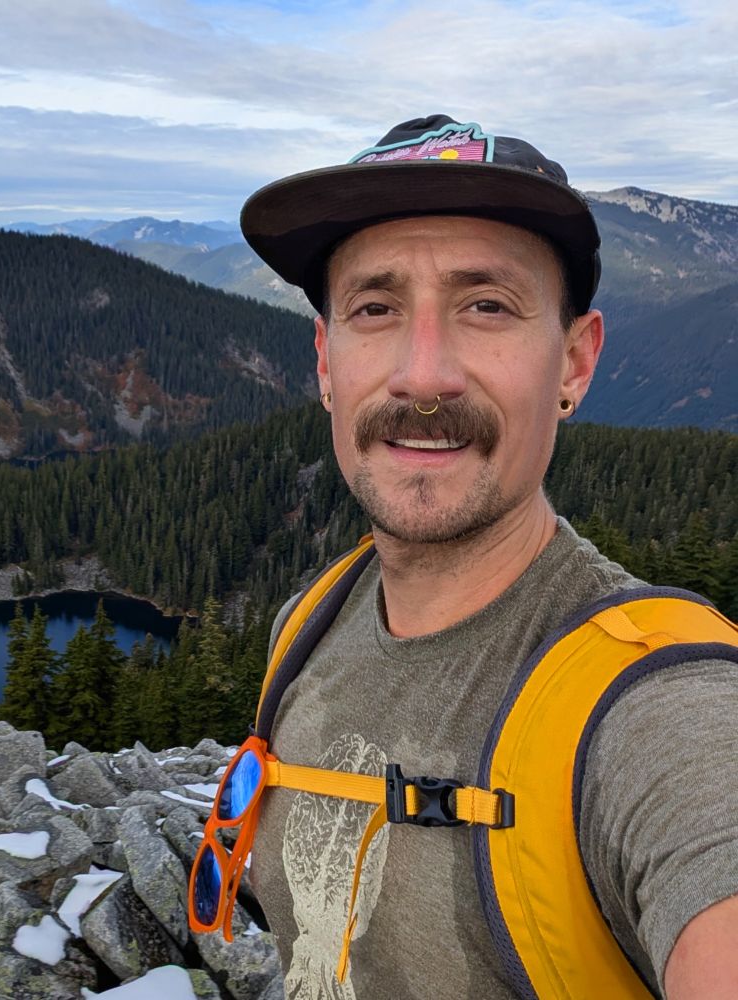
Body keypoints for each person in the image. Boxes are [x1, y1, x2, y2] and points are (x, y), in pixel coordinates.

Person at [235, 116, 738, 999]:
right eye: (375, 308)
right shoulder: (309, 623)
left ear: (575, 363)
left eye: (487, 306)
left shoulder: (656, 709)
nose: (423, 375)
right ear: (324, 360)